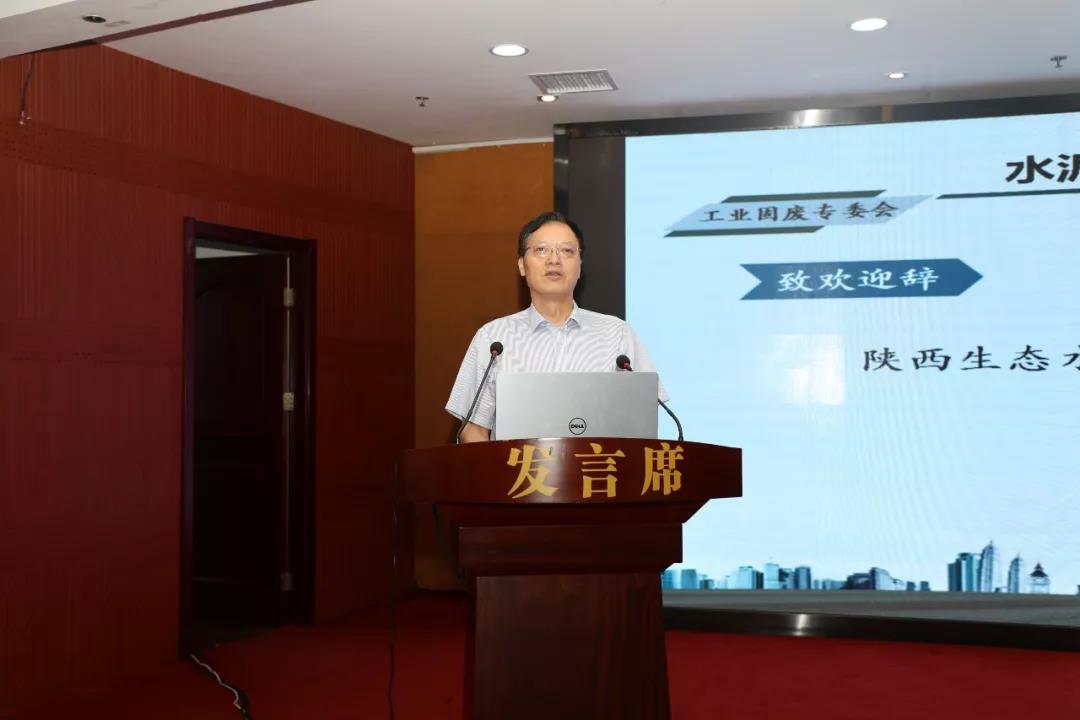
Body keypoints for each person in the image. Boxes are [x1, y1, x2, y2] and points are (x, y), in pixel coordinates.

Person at [446, 210, 666, 442]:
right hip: (518, 467)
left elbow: (643, 419)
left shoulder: (618, 334)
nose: (554, 259)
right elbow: (473, 430)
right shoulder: (493, 339)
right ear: (522, 265)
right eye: (541, 250)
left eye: (567, 251)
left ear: (580, 266)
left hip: (597, 465)